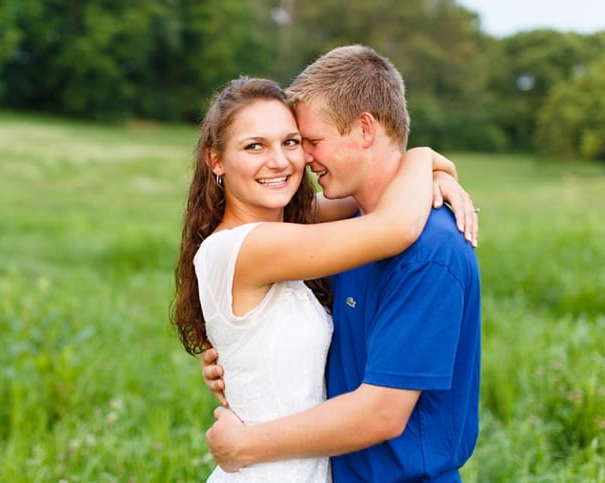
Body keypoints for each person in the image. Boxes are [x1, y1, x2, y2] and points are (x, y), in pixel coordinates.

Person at [172, 73, 478, 482]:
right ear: (215, 160)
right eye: (254, 146)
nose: (280, 161)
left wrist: (430, 180)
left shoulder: (291, 229)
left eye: (293, 142)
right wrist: (421, 159)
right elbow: (393, 226)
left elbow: (371, 193)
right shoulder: (247, 247)